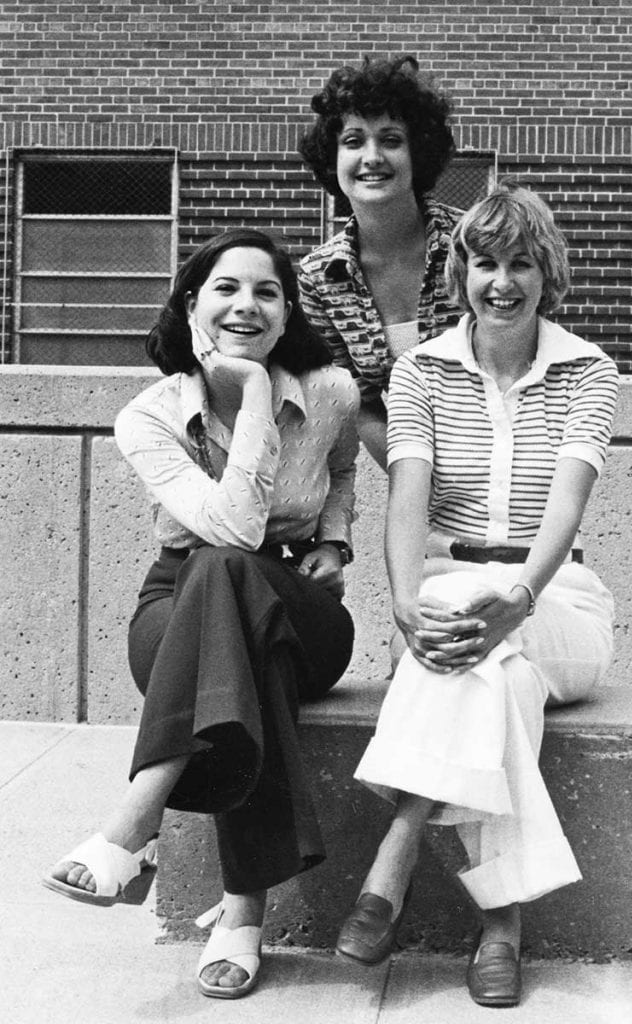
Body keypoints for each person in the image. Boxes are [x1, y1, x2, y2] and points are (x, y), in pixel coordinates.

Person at [42, 228, 360, 1001]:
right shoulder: (146, 417)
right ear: (191, 305)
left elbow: (342, 469)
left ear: (288, 315)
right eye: (225, 288)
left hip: (297, 601)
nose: (246, 305)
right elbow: (229, 530)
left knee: (243, 589)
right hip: (177, 603)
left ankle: (133, 824)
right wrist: (253, 397)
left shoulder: (330, 392)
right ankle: (243, 914)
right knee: (238, 618)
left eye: (266, 291)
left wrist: (336, 541)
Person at [334, 185, 619, 1007]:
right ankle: (502, 927)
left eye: (520, 263)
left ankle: (398, 838)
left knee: (494, 636)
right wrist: (400, 603)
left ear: (547, 273)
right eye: (484, 262)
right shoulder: (422, 370)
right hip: (448, 589)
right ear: (460, 273)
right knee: (499, 679)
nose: (501, 281)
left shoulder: (586, 371)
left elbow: (564, 506)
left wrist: (520, 595)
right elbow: (406, 496)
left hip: (558, 599)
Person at [298, 54, 461, 469]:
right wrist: (417, 478)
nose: (371, 157)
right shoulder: (319, 278)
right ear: (332, 157)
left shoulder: (472, 245)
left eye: (390, 140)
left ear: (417, 152)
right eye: (353, 141)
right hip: (414, 473)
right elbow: (360, 402)